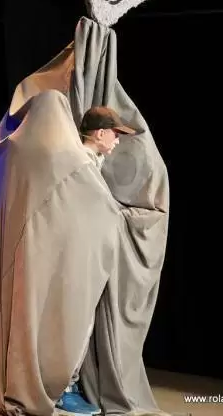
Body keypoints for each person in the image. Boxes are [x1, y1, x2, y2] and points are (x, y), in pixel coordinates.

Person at [55, 105, 136, 416]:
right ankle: (62, 387)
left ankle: (68, 384)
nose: (117, 140)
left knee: (82, 320)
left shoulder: (93, 161)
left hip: (87, 256)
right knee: (72, 321)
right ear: (100, 133)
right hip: (74, 257)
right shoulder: (81, 163)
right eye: (115, 134)